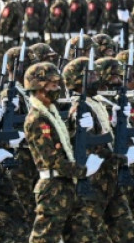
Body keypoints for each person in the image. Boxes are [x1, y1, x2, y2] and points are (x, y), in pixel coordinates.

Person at [22, 61, 98, 243]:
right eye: (52, 84)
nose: (57, 88)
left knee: (83, 236)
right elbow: (53, 160)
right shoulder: (37, 119)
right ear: (38, 86)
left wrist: (75, 126)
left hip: (67, 185)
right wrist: (84, 171)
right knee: (44, 238)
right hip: (53, 189)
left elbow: (64, 146)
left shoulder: (52, 113)